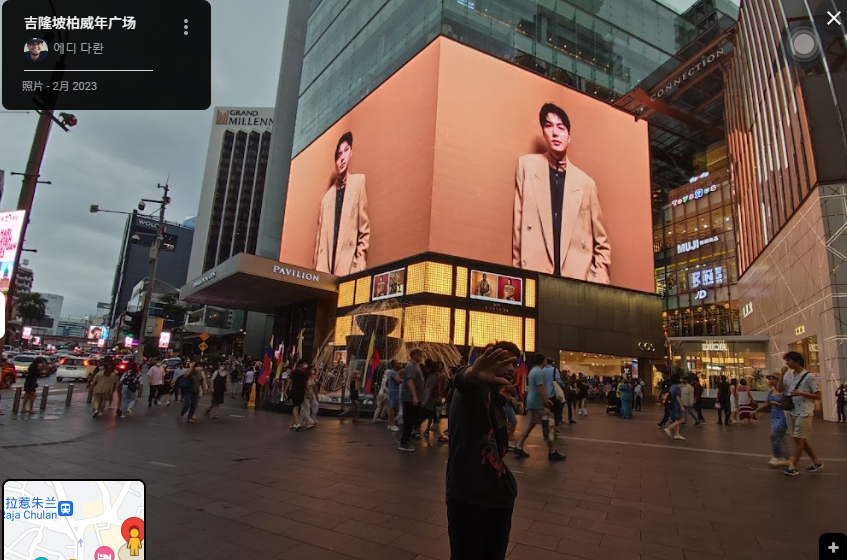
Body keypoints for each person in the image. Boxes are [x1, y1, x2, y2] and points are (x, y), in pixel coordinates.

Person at [512, 103, 611, 283]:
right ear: (543, 132)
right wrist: (518, 278)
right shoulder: (526, 166)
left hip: (576, 283)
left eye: (561, 127)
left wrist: (596, 283)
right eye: (549, 126)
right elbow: (518, 229)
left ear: (569, 136)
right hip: (536, 276)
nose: (555, 133)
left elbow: (602, 244)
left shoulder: (586, 184)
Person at [446, 343, 520, 560]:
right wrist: (472, 373)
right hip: (470, 498)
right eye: (503, 361)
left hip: (498, 498)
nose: (510, 368)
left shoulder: (497, 396)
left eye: (514, 364)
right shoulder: (475, 388)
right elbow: (464, 381)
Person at [313, 131, 370, 275]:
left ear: (351, 152)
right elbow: (319, 243)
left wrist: (359, 267)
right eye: (338, 155)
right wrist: (314, 273)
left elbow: (364, 230)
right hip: (324, 272)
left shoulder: (358, 183)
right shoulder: (326, 199)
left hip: (348, 269)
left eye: (346, 151)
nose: (342, 158)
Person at [512, 353, 565, 461]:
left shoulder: (532, 371)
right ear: (543, 361)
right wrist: (546, 401)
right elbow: (540, 388)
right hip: (538, 403)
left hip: (531, 401)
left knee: (530, 425)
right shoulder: (539, 372)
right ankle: (552, 451)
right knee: (549, 424)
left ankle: (519, 446)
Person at [779, 352, 823, 475]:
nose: (787, 363)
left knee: (799, 439)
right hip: (790, 410)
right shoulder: (788, 375)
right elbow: (780, 389)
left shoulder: (809, 376)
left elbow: (818, 395)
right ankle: (816, 461)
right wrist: (782, 374)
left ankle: (793, 466)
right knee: (799, 439)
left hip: (804, 411)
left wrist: (801, 393)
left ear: (797, 361)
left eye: (789, 360)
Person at [753, 372, 791, 467]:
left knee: (774, 435)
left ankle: (778, 456)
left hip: (783, 416)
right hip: (774, 416)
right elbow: (766, 403)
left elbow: (786, 404)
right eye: (770, 379)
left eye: (773, 379)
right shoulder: (771, 392)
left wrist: (775, 403)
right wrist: (756, 411)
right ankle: (785, 457)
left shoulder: (784, 392)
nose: (771, 381)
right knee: (779, 436)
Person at [399, 348, 425, 452]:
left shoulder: (416, 365)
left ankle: (407, 439)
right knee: (408, 420)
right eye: (419, 354)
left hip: (414, 397)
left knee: (413, 419)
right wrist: (414, 396)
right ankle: (404, 442)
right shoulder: (410, 366)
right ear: (413, 355)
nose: (421, 356)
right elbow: (410, 381)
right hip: (409, 398)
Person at [422, 362, 448, 442]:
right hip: (432, 401)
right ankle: (429, 432)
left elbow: (430, 390)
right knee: (432, 417)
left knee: (433, 417)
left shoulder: (434, 377)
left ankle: (438, 435)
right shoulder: (434, 376)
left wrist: (424, 402)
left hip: (431, 401)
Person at [285, 360, 309, 430]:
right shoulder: (295, 372)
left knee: (297, 407)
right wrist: (285, 391)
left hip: (301, 392)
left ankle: (294, 423)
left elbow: (306, 383)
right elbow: (290, 381)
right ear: (300, 365)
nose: (305, 365)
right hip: (295, 391)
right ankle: (298, 423)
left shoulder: (304, 373)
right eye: (304, 363)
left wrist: (308, 392)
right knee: (296, 407)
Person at [662, 373, 686, 440]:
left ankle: (677, 434)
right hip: (676, 404)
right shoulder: (677, 387)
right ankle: (668, 428)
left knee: (677, 419)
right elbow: (677, 396)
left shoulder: (672, 386)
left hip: (671, 404)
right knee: (681, 419)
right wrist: (681, 406)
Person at [385, 359, 402, 432]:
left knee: (392, 408)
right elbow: (398, 381)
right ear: (394, 365)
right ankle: (392, 424)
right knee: (393, 408)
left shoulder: (393, 372)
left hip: (393, 391)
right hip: (394, 391)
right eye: (398, 363)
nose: (400, 364)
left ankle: (390, 424)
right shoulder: (393, 372)